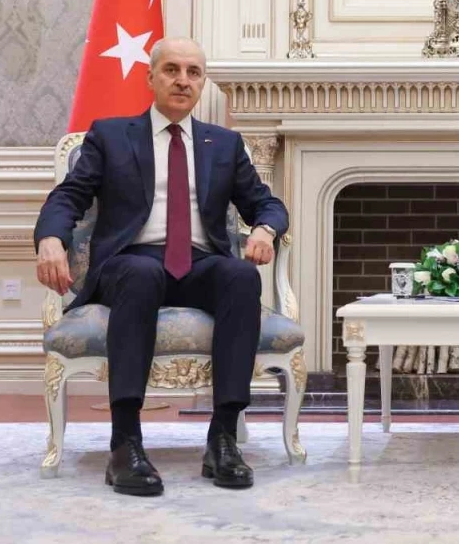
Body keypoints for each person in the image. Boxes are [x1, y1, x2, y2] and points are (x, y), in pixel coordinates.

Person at [34, 36, 288, 497]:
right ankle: (125, 442)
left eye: (193, 72)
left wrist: (265, 230)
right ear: (150, 77)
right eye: (172, 70)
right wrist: (51, 238)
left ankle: (223, 439)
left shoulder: (224, 144)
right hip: (130, 264)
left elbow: (265, 203)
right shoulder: (111, 136)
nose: (183, 80)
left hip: (198, 263)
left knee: (239, 275)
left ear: (202, 83)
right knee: (142, 273)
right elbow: (69, 196)